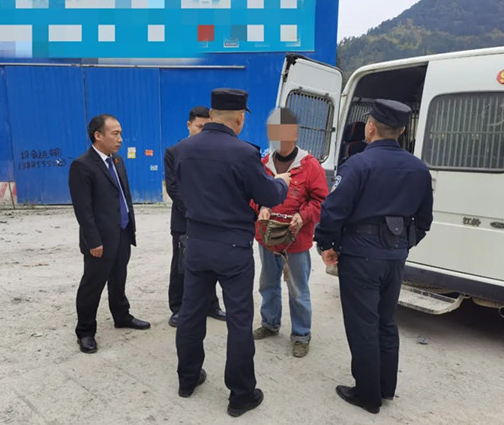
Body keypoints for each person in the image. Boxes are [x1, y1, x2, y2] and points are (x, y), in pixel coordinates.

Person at [174, 88, 291, 417]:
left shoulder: (183, 149)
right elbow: (269, 195)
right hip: (233, 247)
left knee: (191, 313)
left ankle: (187, 379)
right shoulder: (244, 153)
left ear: (211, 115)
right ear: (240, 118)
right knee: (239, 321)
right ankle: (240, 395)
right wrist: (281, 181)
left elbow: (181, 191)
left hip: (196, 243)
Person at [313, 99, 433, 414]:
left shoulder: (357, 164)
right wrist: (402, 245)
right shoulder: (419, 169)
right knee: (385, 322)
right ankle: (385, 387)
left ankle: (367, 394)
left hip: (359, 255)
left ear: (370, 127)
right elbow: (424, 221)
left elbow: (334, 210)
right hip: (395, 256)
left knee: (363, 324)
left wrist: (326, 244)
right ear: (402, 131)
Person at [68, 114, 150, 354]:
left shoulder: (117, 160)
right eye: (115, 134)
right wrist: (93, 241)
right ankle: (85, 331)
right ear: (98, 135)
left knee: (119, 278)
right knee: (92, 285)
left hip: (122, 232)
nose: (120, 139)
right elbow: (83, 210)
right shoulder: (82, 165)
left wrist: (130, 227)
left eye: (120, 133)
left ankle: (121, 315)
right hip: (100, 240)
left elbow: (123, 196)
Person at [251, 107, 328, 358]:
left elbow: (320, 200)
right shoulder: (264, 164)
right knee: (267, 284)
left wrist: (302, 216)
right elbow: (252, 194)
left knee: (298, 289)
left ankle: (301, 335)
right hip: (267, 237)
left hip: (296, 240)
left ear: (295, 134)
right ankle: (270, 323)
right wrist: (261, 207)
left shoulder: (310, 165)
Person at [164, 106, 226, 327]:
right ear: (189, 125)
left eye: (206, 127)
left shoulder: (215, 152)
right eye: (199, 127)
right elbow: (173, 187)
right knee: (181, 265)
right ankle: (178, 308)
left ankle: (211, 304)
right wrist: (194, 211)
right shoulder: (174, 152)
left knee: (210, 264)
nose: (202, 131)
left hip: (211, 220)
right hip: (185, 220)